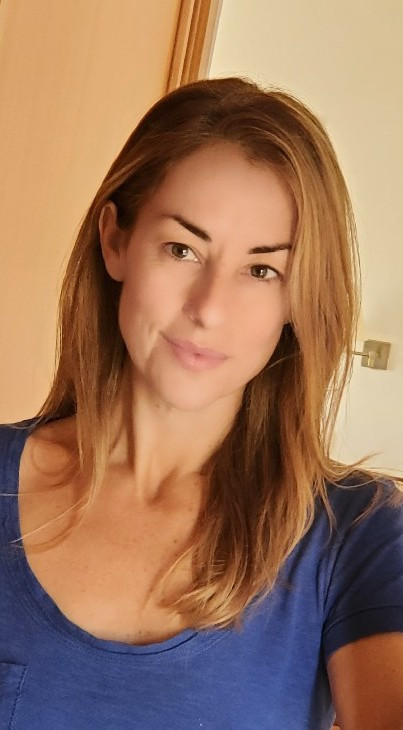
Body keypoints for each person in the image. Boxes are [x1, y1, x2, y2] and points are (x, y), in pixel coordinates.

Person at [0, 77, 402, 730]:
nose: (209, 308)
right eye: (182, 249)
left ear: (298, 298)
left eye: (262, 270)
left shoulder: (357, 534)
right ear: (115, 242)